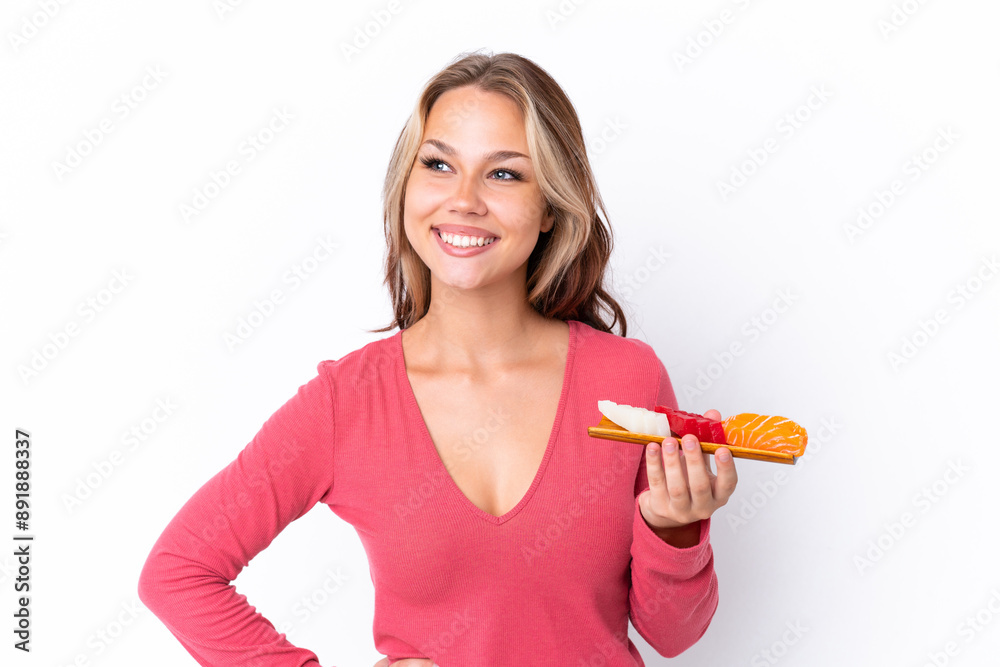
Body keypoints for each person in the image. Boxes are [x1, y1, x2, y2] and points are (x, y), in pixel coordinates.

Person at [138, 50, 738, 667]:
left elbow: (674, 636)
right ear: (407, 186)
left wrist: (675, 530)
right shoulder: (347, 403)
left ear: (553, 207)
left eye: (504, 174)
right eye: (438, 165)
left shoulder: (627, 380)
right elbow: (178, 573)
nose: (464, 200)